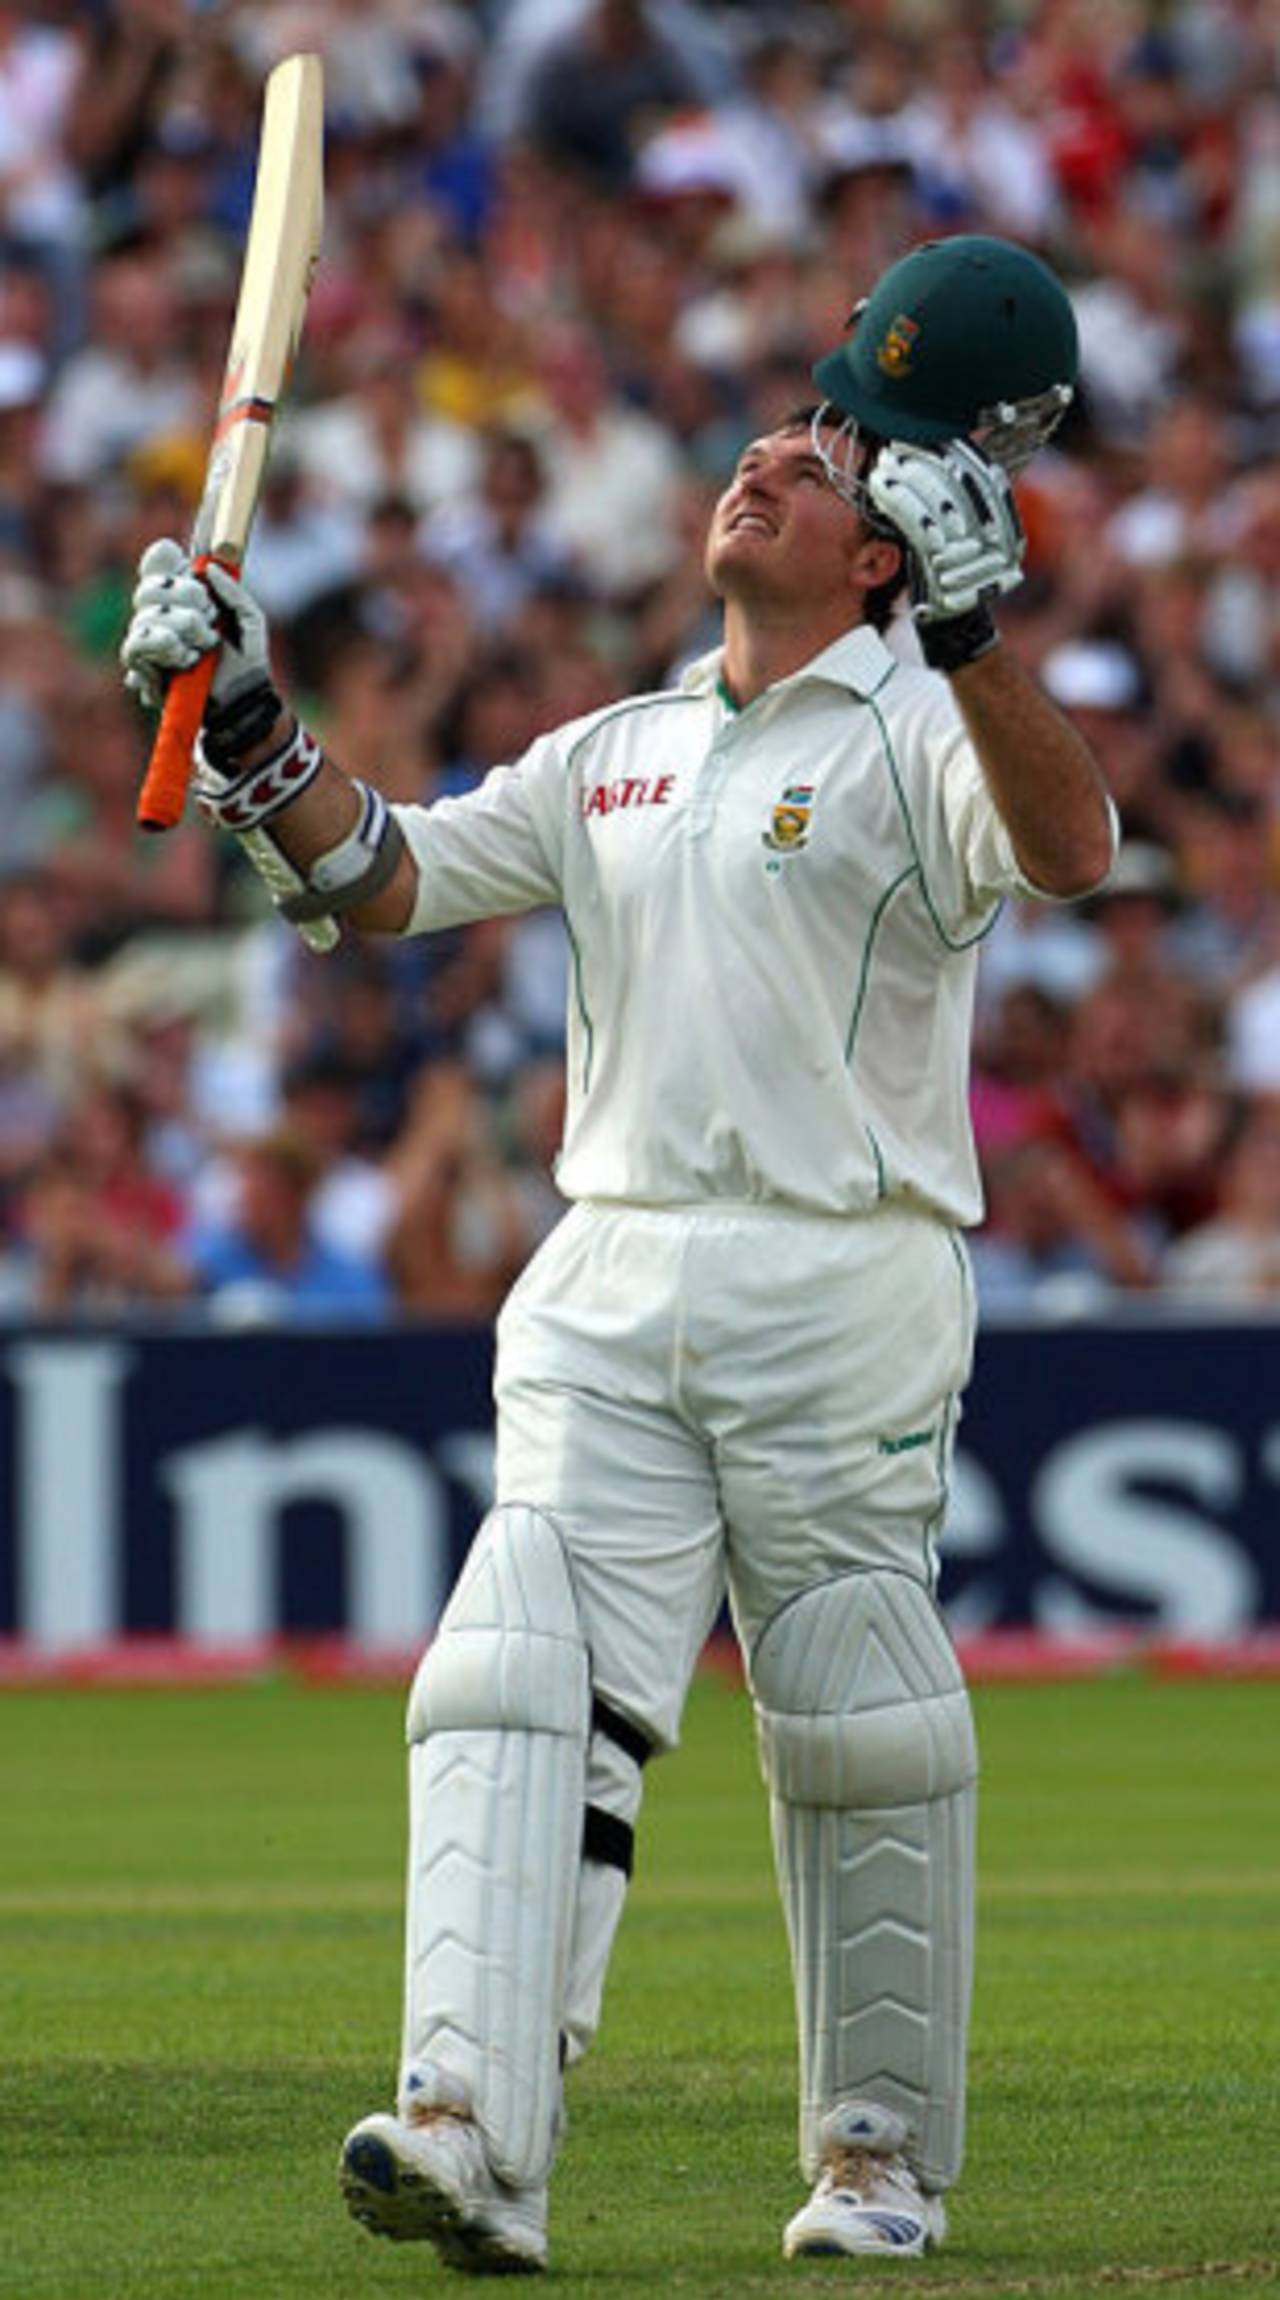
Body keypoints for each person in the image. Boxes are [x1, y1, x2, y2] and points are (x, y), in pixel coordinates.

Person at [121, 235, 1115, 2273]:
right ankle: (470, 2126)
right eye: (760, 446)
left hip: (842, 1271)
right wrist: (240, 721)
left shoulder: (927, 723)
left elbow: (1070, 844)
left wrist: (975, 631)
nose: (763, 461)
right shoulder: (619, 750)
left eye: (814, 471)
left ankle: (871, 2157)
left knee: (850, 1716)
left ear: (876, 566)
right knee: (511, 1677)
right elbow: (385, 877)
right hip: (605, 1270)